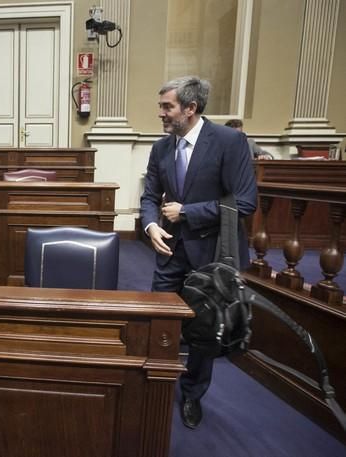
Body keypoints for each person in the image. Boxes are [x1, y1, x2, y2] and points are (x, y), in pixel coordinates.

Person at [140, 76, 257, 429]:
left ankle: (192, 393)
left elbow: (245, 202)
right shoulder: (161, 147)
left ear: (190, 109)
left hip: (212, 255)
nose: (160, 113)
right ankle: (155, 386)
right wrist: (150, 225)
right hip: (170, 248)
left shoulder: (229, 141)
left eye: (167, 107)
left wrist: (188, 211)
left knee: (204, 330)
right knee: (159, 320)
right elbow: (149, 196)